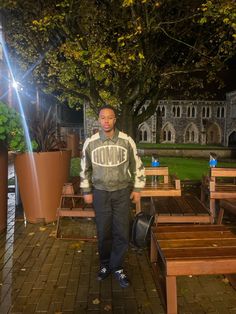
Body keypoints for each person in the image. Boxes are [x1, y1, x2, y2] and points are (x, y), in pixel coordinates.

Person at [80, 105, 145, 288]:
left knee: (121, 231)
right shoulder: (91, 142)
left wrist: (137, 188)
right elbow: (85, 168)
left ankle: (117, 267)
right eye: (103, 118)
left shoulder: (127, 141)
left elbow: (137, 166)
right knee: (103, 231)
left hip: (122, 193)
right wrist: (87, 191)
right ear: (99, 120)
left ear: (115, 119)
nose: (106, 121)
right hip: (100, 193)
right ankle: (105, 265)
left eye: (110, 117)